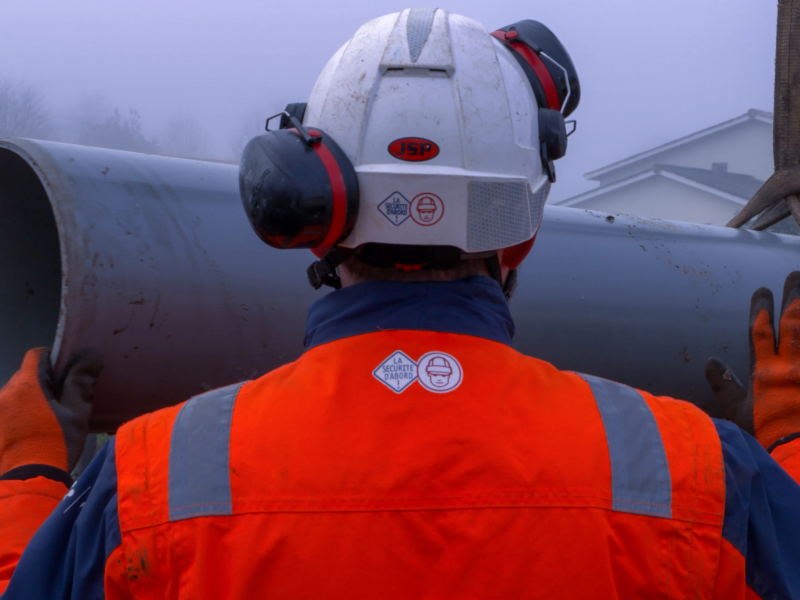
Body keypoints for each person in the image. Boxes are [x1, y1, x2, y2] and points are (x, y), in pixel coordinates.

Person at [1, 9, 800, 599]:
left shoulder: (155, 482)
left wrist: (27, 479)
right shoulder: (692, 477)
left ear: (310, 204)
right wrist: (789, 442)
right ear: (520, 228)